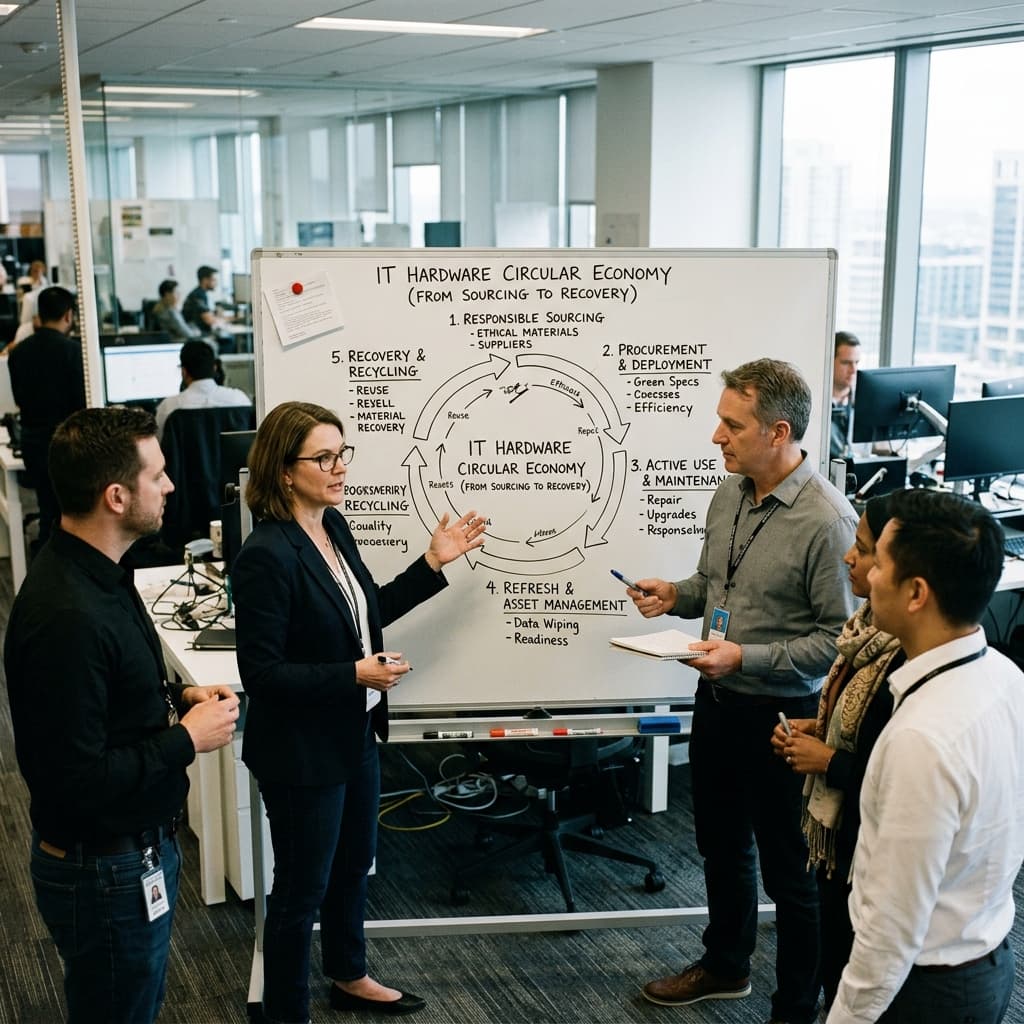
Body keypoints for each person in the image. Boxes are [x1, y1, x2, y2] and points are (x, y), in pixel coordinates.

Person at [232, 401, 486, 1024]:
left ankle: (349, 975)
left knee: (352, 868)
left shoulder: (333, 527)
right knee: (301, 890)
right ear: (284, 470)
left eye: (342, 453)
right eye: (323, 457)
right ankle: (286, 1011)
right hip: (301, 751)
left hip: (354, 733)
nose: (340, 467)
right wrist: (353, 674)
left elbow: (367, 612)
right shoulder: (266, 553)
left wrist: (433, 562)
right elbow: (261, 675)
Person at [632, 358, 858, 1024]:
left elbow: (839, 640)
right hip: (719, 703)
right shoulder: (730, 492)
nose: (717, 437)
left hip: (787, 720)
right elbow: (716, 584)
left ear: (777, 432)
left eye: (732, 425)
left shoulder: (827, 521)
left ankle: (796, 1007)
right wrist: (676, 595)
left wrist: (746, 656)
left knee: (792, 873)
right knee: (721, 845)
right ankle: (725, 966)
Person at [3, 406, 241, 1024]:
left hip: (128, 855)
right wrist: (185, 740)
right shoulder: (68, 616)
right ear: (116, 496)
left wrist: (178, 698)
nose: (170, 486)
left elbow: (110, 694)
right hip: (103, 868)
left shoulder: (103, 575)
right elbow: (74, 779)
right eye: (156, 475)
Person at [827, 490, 1024, 1024]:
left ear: (916, 593)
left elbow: (892, 928)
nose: (867, 575)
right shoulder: (1006, 676)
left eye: (880, 564)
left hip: (922, 990)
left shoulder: (921, 738)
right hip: (984, 957)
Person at [770, 494, 904, 1011]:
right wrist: (821, 729)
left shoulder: (905, 665)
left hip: (865, 847)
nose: (849, 557)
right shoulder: (866, 629)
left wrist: (827, 760)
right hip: (839, 843)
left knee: (853, 974)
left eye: (864, 550)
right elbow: (861, 727)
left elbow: (896, 776)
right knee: (834, 963)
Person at [8, 285, 86, 552]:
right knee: (72, 511)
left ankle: (46, 557)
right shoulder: (75, 352)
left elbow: (20, 400)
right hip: (69, 445)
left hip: (33, 443)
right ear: (68, 315)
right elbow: (81, 404)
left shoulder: (18, 352)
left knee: (47, 507)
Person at [154, 339, 251, 438]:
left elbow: (158, 444)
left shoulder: (168, 407)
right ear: (215, 368)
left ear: (184, 372)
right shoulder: (240, 400)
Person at [182, 264, 235, 353]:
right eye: (214, 280)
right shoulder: (198, 295)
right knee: (229, 341)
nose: (216, 283)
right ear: (205, 280)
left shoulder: (201, 293)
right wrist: (233, 318)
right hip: (198, 336)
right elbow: (209, 320)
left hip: (201, 333)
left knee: (228, 338)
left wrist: (219, 317)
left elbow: (210, 316)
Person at [830, 331, 861, 459]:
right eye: (846, 363)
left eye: (856, 362)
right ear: (829, 362)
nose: (853, 370)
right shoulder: (816, 404)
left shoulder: (863, 402)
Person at [151, 278, 202, 343]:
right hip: (177, 343)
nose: (179, 295)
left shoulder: (160, 308)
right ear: (167, 294)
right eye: (176, 292)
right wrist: (197, 332)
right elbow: (188, 334)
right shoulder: (170, 312)